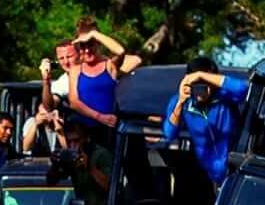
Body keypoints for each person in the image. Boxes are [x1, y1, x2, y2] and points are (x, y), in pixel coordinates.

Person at [161, 56, 249, 186]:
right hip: (204, 173)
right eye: (197, 84)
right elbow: (169, 134)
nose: (201, 90)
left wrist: (201, 75)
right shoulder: (181, 102)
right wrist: (180, 102)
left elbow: (243, 89)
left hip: (233, 169)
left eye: (206, 83)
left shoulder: (225, 97)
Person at [68, 17, 140, 134]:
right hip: (84, 132)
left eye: (90, 44)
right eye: (83, 46)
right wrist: (99, 117)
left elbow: (120, 51)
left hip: (108, 132)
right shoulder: (75, 70)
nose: (87, 50)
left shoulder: (110, 65)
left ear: (98, 44)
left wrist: (94, 34)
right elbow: (74, 102)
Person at [47, 119, 112, 205]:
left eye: (76, 141)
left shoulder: (101, 155)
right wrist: (55, 165)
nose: (73, 146)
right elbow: (51, 182)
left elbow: (110, 187)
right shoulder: (71, 157)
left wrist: (90, 168)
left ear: (86, 138)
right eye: (69, 141)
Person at [40, 40, 77, 113]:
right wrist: (46, 80)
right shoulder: (62, 82)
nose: (66, 62)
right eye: (61, 58)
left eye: (69, 57)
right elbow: (49, 107)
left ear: (79, 54)